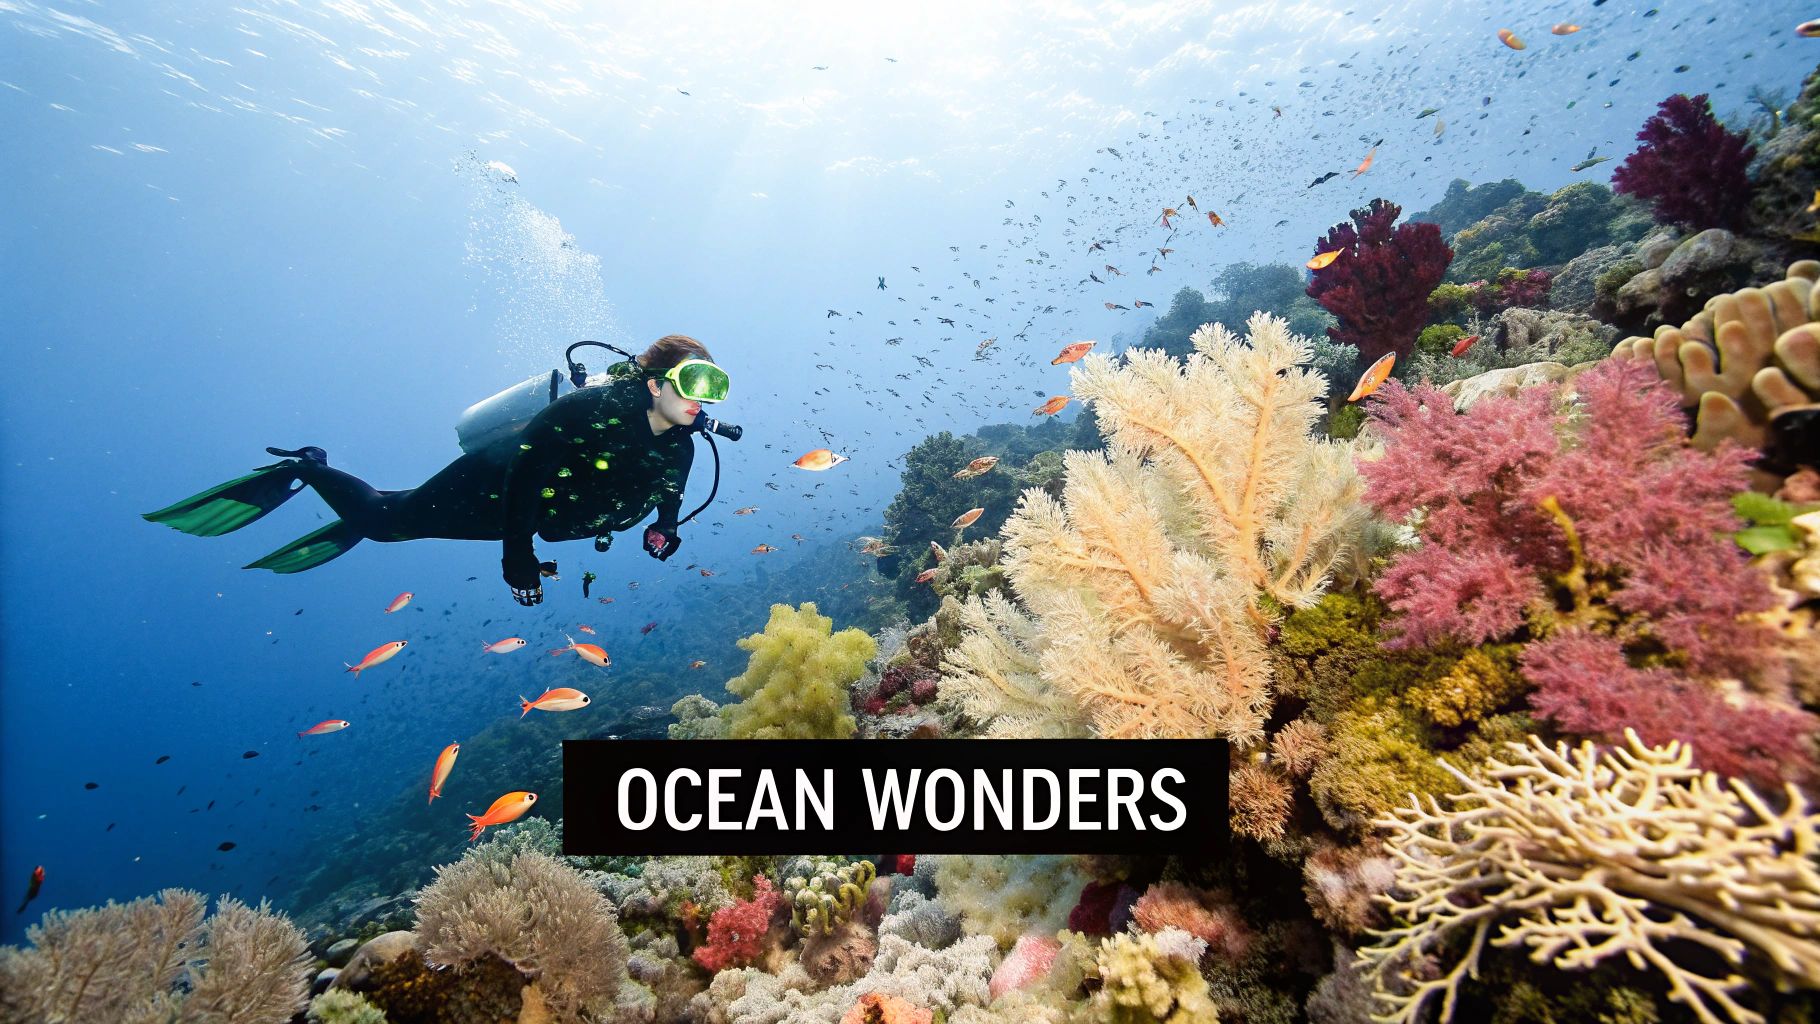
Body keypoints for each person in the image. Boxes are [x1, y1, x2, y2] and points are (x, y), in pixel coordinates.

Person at [145, 335, 730, 606]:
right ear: (655, 384)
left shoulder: (680, 444)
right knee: (382, 521)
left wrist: (666, 526)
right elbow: (524, 476)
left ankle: (386, 502)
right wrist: (516, 556)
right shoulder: (589, 410)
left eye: (714, 387)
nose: (705, 401)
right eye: (696, 384)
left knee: (402, 517)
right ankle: (311, 468)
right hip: (497, 488)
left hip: (545, 515)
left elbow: (669, 490)